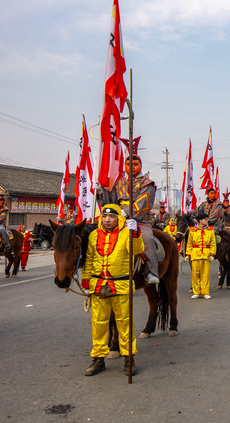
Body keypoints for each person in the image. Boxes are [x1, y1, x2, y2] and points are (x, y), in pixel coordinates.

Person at [81, 204, 144, 377]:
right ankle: (98, 360)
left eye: (112, 216)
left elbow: (136, 250)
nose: (107, 219)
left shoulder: (127, 232)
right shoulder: (93, 235)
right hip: (99, 286)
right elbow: (88, 260)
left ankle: (128, 359)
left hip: (121, 286)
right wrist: (86, 283)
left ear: (119, 218)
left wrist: (136, 233)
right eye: (104, 216)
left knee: (125, 324)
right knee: (98, 325)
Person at [97, 154, 159, 284]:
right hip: (118, 219)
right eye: (128, 165)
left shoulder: (147, 183)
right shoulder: (119, 183)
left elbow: (144, 202)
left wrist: (125, 212)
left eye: (135, 165)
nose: (132, 167)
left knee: (147, 238)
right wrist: (100, 192)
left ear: (141, 166)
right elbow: (111, 202)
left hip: (139, 220)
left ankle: (151, 272)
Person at [185, 213, 216, 299]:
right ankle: (196, 292)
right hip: (195, 254)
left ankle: (205, 292)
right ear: (200, 221)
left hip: (206, 255)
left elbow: (213, 243)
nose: (207, 220)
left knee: (205, 274)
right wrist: (188, 254)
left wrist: (212, 254)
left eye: (207, 219)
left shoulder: (210, 230)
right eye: (205, 219)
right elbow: (189, 244)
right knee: (195, 274)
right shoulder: (192, 231)